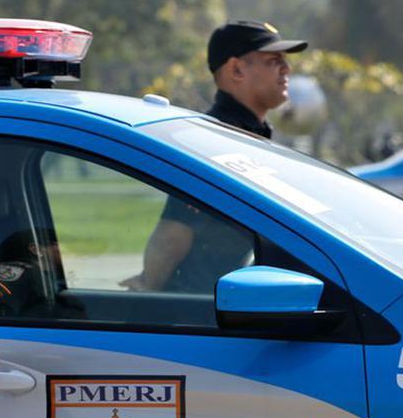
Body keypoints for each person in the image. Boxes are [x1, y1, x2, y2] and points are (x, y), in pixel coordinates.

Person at [121, 20, 306, 292]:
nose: (286, 69)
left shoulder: (246, 134)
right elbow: (174, 232)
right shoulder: (214, 142)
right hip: (197, 312)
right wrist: (148, 289)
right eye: (273, 60)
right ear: (236, 69)